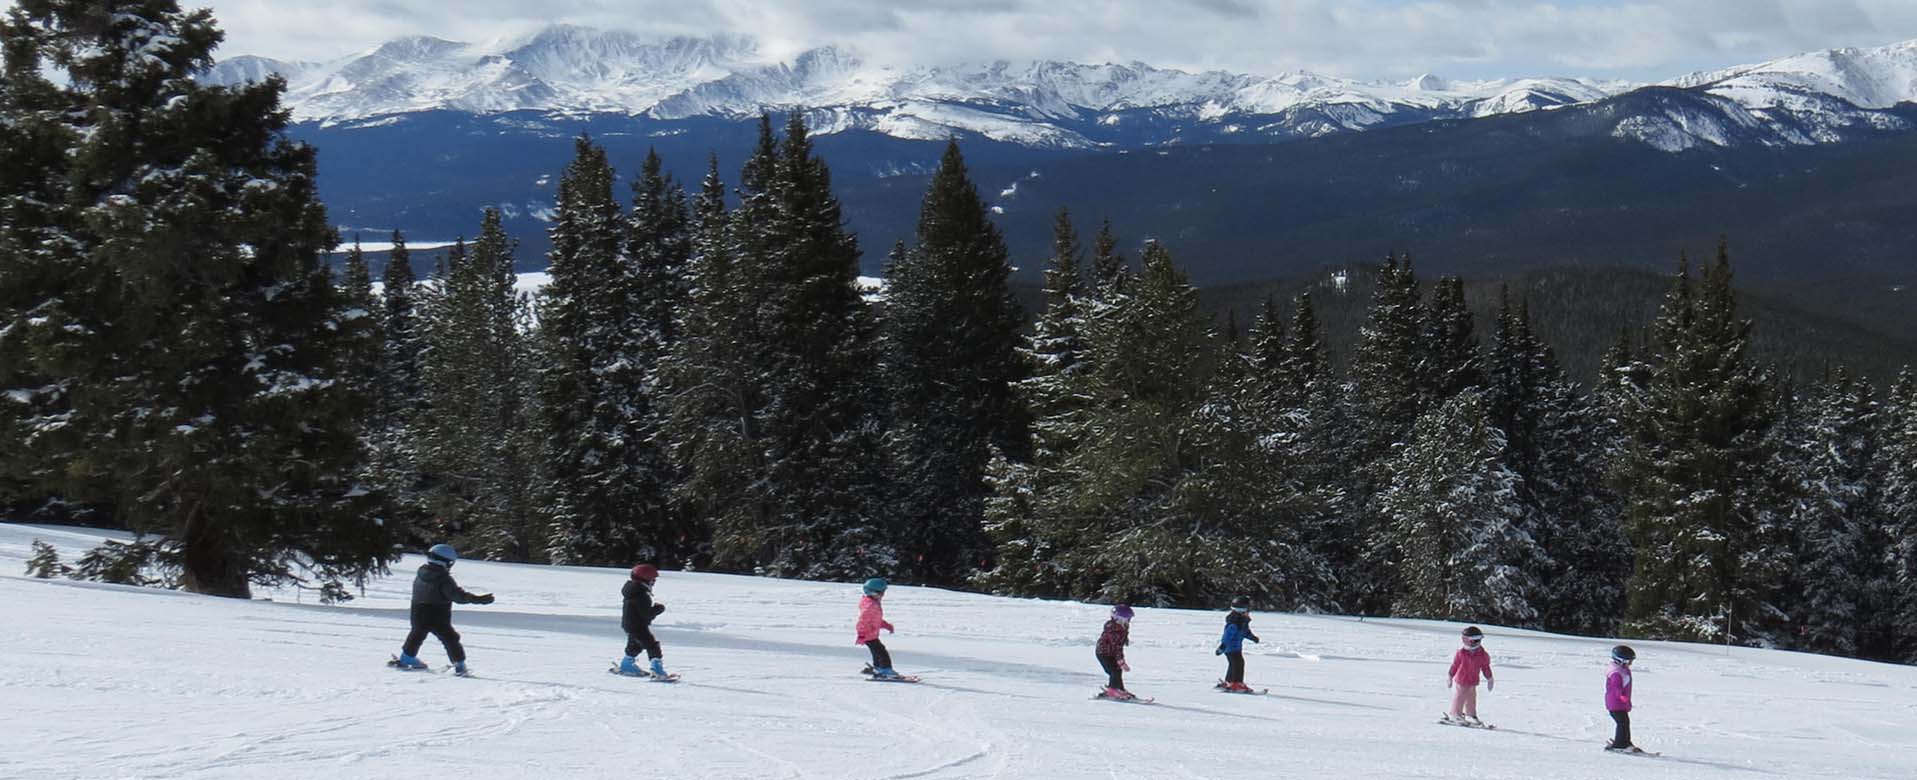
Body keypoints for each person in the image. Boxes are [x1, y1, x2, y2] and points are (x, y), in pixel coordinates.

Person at [393, 544, 493, 675]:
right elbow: (457, 596)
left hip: (418, 611)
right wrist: (477, 599)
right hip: (438, 614)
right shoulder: (443, 578)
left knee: (417, 634)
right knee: (450, 639)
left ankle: (407, 658)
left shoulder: (421, 573)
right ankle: (459, 665)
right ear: (446, 562)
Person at [616, 564, 670, 678]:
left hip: (630, 625)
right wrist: (659, 609)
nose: (653, 582)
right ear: (645, 579)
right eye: (652, 580)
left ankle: (626, 665)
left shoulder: (633, 591)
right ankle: (657, 670)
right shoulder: (641, 595)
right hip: (637, 626)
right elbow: (646, 614)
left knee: (635, 645)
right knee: (652, 646)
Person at [1446, 626, 1494, 724]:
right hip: (1462, 680)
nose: (1477, 643)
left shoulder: (1483, 654)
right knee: (1460, 696)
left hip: (1473, 681)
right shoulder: (1461, 653)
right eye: (1474, 641)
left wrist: (1490, 678)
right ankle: (1455, 714)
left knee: (1471, 698)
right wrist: (1450, 676)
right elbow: (1455, 665)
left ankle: (1470, 715)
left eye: (1478, 640)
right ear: (1466, 640)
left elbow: (1485, 667)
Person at [856, 578, 900, 678]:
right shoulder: (870, 606)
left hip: (871, 634)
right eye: (882, 592)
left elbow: (876, 619)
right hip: (868, 634)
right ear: (874, 592)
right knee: (881, 651)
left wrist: (886, 625)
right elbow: (862, 621)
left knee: (876, 651)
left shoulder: (872, 603)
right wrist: (862, 634)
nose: (883, 595)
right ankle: (886, 669)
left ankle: (878, 667)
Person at [1215, 596, 1261, 692]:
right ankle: (1236, 683)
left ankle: (1229, 682)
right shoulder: (1235, 622)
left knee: (1234, 664)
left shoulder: (1241, 621)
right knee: (1238, 664)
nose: (1249, 611)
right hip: (1230, 648)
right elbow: (1227, 635)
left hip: (1235, 648)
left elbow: (1245, 632)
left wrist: (1253, 638)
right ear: (1242, 609)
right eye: (1248, 608)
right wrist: (1223, 646)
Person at [1095, 604, 1135, 699]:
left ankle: (1119, 689)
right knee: (1114, 671)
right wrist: (1121, 661)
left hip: (1110, 653)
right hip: (1103, 654)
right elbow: (1117, 647)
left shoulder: (1120, 627)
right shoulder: (1114, 630)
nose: (1128, 621)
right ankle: (1112, 690)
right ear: (1119, 619)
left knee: (1117, 670)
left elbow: (1120, 642)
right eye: (1127, 619)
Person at [1605, 645, 1637, 751]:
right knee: (1622, 723)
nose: (1630, 664)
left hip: (1619, 704)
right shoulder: (1616, 673)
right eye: (1629, 661)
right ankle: (1620, 744)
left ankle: (1625, 742)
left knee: (1624, 722)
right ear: (1621, 660)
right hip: (1616, 703)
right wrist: (1621, 695)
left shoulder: (1622, 669)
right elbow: (1615, 687)